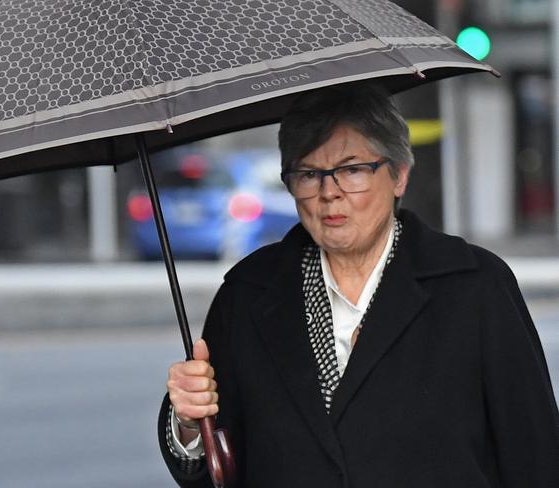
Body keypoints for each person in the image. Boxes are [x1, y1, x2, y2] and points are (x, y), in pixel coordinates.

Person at [157, 85, 559, 487]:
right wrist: (191, 425)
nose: (329, 193)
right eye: (309, 174)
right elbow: (218, 473)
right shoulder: (247, 295)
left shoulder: (475, 286)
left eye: (352, 170)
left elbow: (535, 457)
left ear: (399, 174)